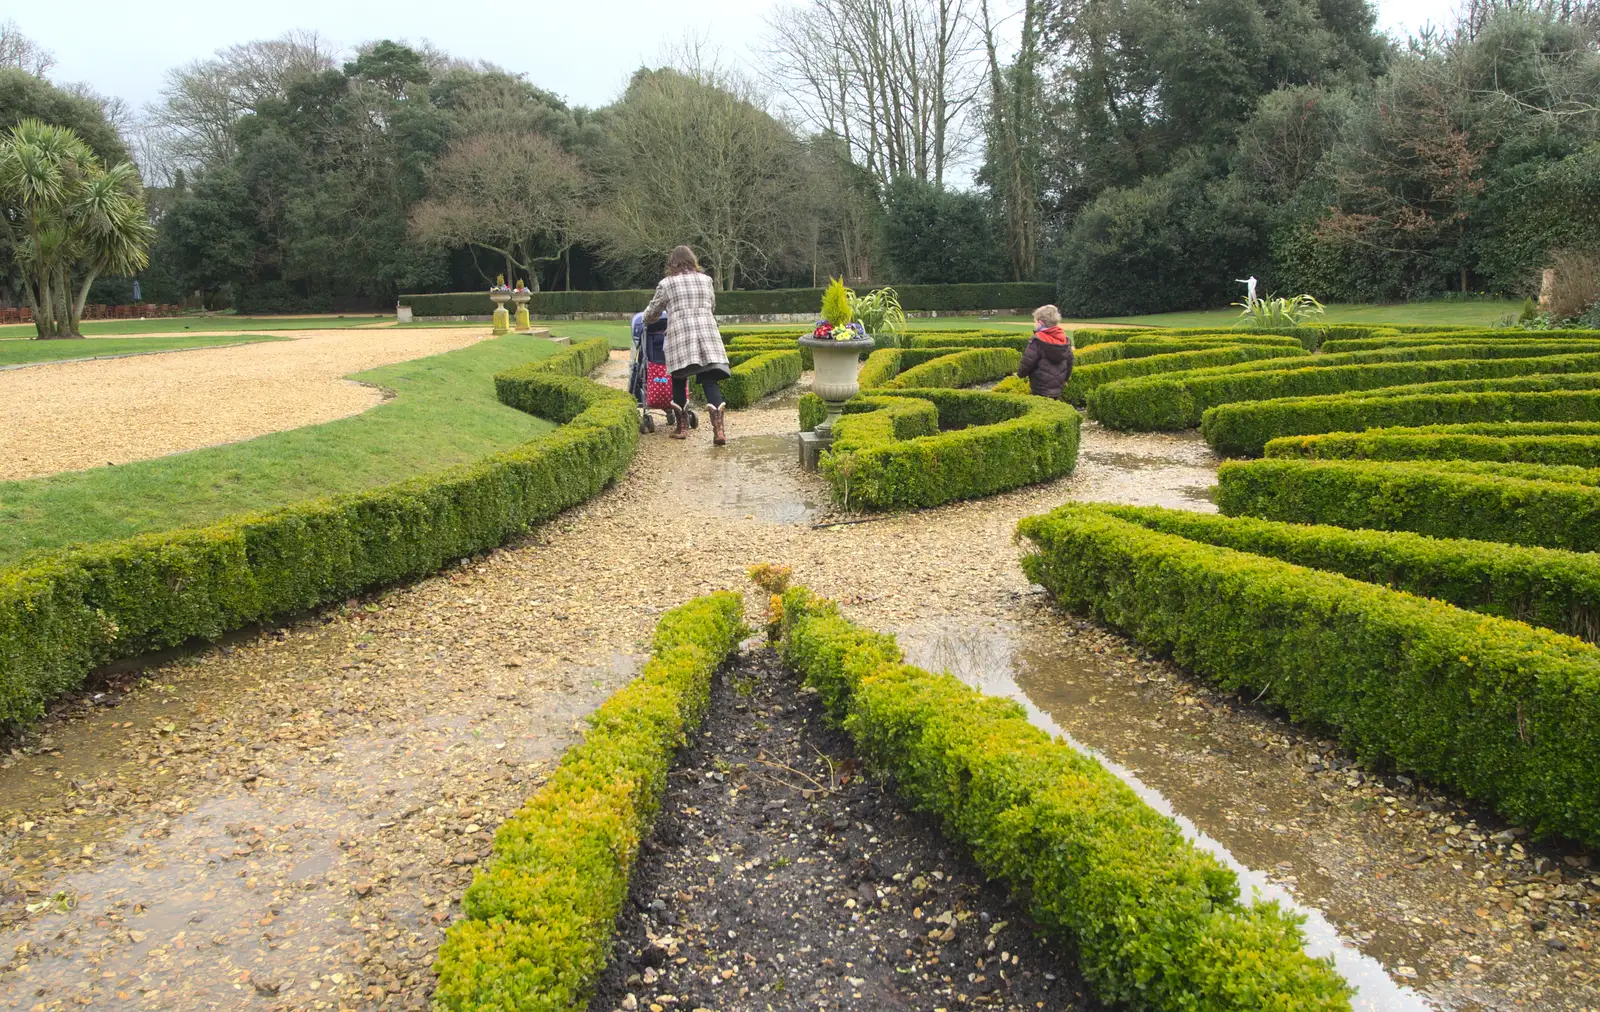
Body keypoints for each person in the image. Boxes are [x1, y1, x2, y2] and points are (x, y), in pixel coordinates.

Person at [643, 246, 732, 445]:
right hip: (707, 337)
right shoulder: (706, 280)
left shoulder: (667, 284)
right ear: (693, 261)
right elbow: (712, 306)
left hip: (681, 339)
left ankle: (681, 428)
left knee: (679, 381)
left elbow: (652, 313)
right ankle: (719, 431)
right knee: (710, 382)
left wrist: (647, 320)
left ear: (672, 263)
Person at [1017, 304, 1073, 399]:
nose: (1034, 324)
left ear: (1041, 323)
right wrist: (1065, 379)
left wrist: (1020, 375)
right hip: (1058, 386)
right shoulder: (1064, 339)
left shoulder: (1038, 340)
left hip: (1040, 386)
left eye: (1035, 321)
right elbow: (1070, 361)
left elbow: (1027, 362)